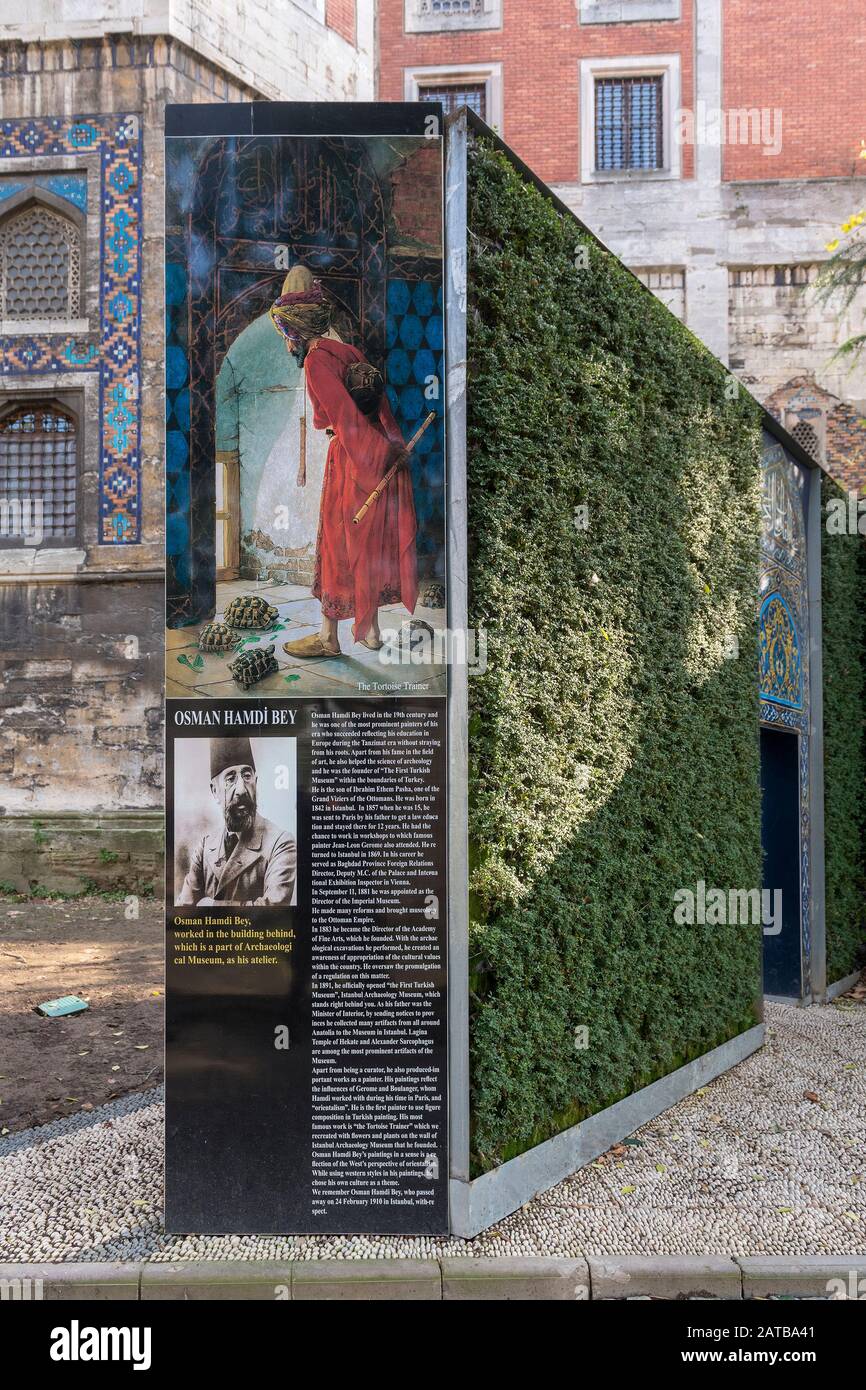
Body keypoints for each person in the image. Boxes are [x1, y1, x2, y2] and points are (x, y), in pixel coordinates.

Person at [269, 281, 418, 656]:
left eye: (287, 335)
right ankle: (371, 633)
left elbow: (347, 419)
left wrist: (376, 455)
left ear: (298, 331)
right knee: (365, 544)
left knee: (337, 545)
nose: (288, 345)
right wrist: (392, 447)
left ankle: (328, 638)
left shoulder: (317, 359)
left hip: (351, 458)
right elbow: (380, 409)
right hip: (372, 451)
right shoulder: (349, 350)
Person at [177, 737, 296, 906]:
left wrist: (212, 906)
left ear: (256, 782)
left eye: (247, 776)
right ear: (215, 791)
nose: (241, 789)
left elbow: (273, 910)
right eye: (230, 779)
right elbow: (183, 910)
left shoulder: (281, 843)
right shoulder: (205, 846)